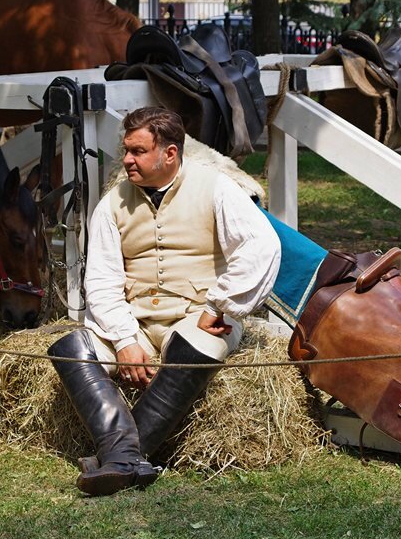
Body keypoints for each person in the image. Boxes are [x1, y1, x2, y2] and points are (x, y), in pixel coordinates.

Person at [47, 106, 281, 496]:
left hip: (199, 319)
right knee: (74, 347)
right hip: (134, 321)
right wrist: (124, 339)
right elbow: (102, 281)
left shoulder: (217, 187)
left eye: (137, 151)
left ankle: (117, 457)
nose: (126, 160)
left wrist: (218, 306)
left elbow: (261, 246)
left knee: (197, 346)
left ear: (169, 153)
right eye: (125, 150)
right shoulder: (111, 204)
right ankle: (128, 459)